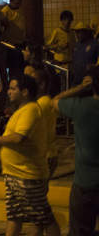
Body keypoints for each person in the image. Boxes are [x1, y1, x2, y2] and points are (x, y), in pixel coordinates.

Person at [0, 75, 60, 236]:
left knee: (43, 217)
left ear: (25, 92)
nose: (8, 91)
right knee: (14, 215)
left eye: (12, 88)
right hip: (14, 174)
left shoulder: (31, 110)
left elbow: (19, 137)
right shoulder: (22, 110)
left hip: (27, 175)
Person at [52, 68, 99, 236]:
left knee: (80, 230)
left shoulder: (81, 106)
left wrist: (80, 88)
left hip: (85, 183)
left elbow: (55, 101)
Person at [71, 22, 99, 86]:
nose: (76, 34)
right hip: (76, 80)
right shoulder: (77, 45)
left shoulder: (95, 44)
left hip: (89, 81)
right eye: (76, 32)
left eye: (79, 32)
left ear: (86, 32)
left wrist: (94, 67)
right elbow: (74, 60)